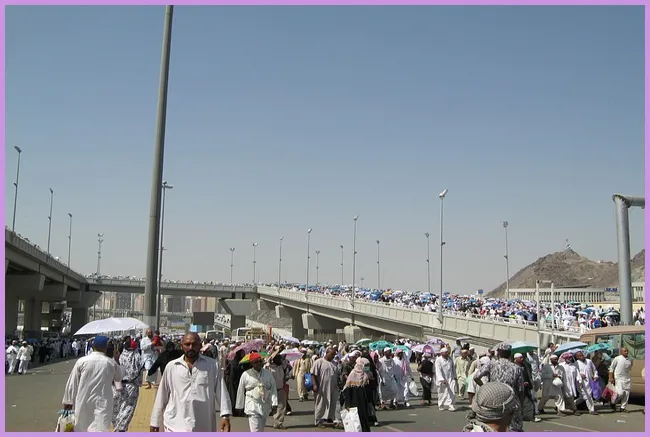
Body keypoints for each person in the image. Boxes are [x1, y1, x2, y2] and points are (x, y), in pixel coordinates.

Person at [150, 332, 232, 432]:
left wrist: (225, 416)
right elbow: (162, 395)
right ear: (181, 346)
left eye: (194, 344)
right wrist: (155, 421)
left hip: (203, 424)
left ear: (200, 346)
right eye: (187, 344)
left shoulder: (211, 365)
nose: (190, 347)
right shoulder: (172, 366)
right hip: (174, 424)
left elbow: (221, 391)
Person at [61, 336, 123, 432]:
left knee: (81, 429)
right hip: (103, 404)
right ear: (106, 348)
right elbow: (119, 377)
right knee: (100, 429)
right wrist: (117, 359)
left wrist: (68, 403)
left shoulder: (81, 361)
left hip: (83, 402)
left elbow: (72, 384)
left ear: (93, 346)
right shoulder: (111, 363)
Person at [474, 343, 524, 431]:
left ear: (498, 353)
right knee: (515, 428)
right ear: (510, 354)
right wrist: (520, 404)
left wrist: (485, 387)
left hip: (494, 399)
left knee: (491, 426)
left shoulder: (491, 364)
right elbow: (521, 389)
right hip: (511, 401)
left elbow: (476, 377)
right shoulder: (516, 368)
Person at [235, 352, 278, 432]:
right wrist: (239, 406)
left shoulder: (267, 373)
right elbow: (240, 390)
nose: (259, 363)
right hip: (252, 405)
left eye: (260, 361)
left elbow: (273, 389)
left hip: (265, 405)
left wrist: (274, 403)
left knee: (261, 429)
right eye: (256, 362)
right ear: (251, 363)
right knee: (255, 430)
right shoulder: (246, 374)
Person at [112, 339, 143, 432]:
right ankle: (121, 428)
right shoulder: (137, 356)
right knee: (128, 407)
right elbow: (139, 372)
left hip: (118, 385)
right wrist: (139, 383)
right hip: (132, 385)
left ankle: (116, 425)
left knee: (117, 406)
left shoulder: (120, 356)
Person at [312, 347, 340, 428]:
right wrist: (315, 384)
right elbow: (313, 374)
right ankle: (319, 421)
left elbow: (337, 374)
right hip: (322, 387)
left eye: (334, 355)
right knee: (321, 403)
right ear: (327, 353)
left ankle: (330, 418)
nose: (333, 356)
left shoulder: (334, 363)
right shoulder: (319, 362)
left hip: (333, 387)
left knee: (333, 403)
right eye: (331, 354)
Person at [342, 357, 372, 432]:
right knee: (356, 419)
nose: (367, 367)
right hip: (354, 400)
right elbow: (347, 389)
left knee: (364, 418)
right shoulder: (353, 374)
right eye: (366, 365)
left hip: (363, 400)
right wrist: (347, 404)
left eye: (368, 366)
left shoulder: (366, 374)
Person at [573, 350, 598, 415]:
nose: (582, 357)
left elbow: (594, 369)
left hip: (589, 381)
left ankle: (571, 405)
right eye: (580, 356)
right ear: (577, 357)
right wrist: (580, 374)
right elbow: (574, 373)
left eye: (582, 355)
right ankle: (591, 410)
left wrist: (595, 376)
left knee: (585, 396)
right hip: (580, 382)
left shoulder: (589, 361)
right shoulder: (576, 363)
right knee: (587, 396)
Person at [609, 347, 632, 412]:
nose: (626, 352)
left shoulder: (630, 359)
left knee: (626, 393)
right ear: (621, 352)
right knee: (620, 393)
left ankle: (623, 407)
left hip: (627, 378)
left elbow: (630, 367)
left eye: (627, 351)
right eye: (625, 351)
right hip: (619, 377)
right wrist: (611, 377)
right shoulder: (617, 358)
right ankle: (613, 402)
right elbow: (611, 368)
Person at [268, 352, 288, 429]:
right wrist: (275, 351)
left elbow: (285, 363)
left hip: (280, 389)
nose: (280, 360)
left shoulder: (281, 366)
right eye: (278, 358)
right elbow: (268, 360)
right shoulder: (269, 367)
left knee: (281, 406)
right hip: (271, 390)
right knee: (271, 407)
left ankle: (278, 423)